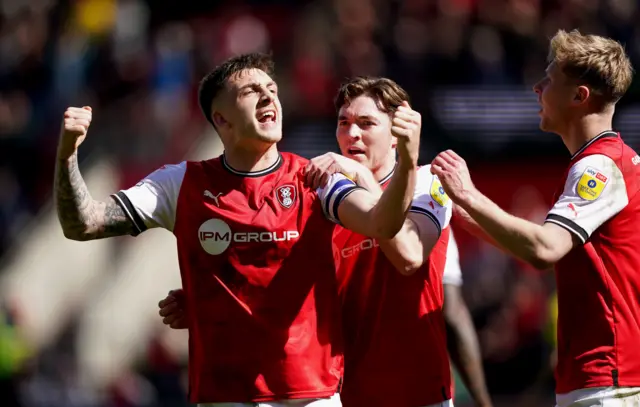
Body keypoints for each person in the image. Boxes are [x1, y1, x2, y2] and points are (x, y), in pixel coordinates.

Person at [54, 53, 423, 406]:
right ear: (222, 120)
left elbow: (383, 223)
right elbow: (84, 223)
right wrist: (68, 152)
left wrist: (407, 157)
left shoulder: (315, 180)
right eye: (251, 92)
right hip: (224, 396)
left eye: (272, 90)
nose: (268, 97)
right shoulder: (180, 185)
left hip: (311, 396)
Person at [160, 77, 492, 407]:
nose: (352, 135)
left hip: (419, 394)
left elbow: (408, 255)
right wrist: (209, 302)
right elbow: (278, 284)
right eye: (343, 123)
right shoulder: (325, 200)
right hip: (345, 394)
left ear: (395, 134)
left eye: (366, 123)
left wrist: (361, 177)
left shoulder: (426, 182)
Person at [431, 30, 640, 407]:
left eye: (550, 79)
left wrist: (469, 193)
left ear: (579, 97)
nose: (537, 88)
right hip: (601, 380)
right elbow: (549, 250)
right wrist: (466, 214)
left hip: (609, 383)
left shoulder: (599, 167)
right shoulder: (604, 160)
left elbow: (545, 249)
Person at [442, 232, 493, 407]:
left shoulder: (353, 211)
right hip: (418, 389)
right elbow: (452, 314)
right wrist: (483, 403)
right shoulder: (431, 210)